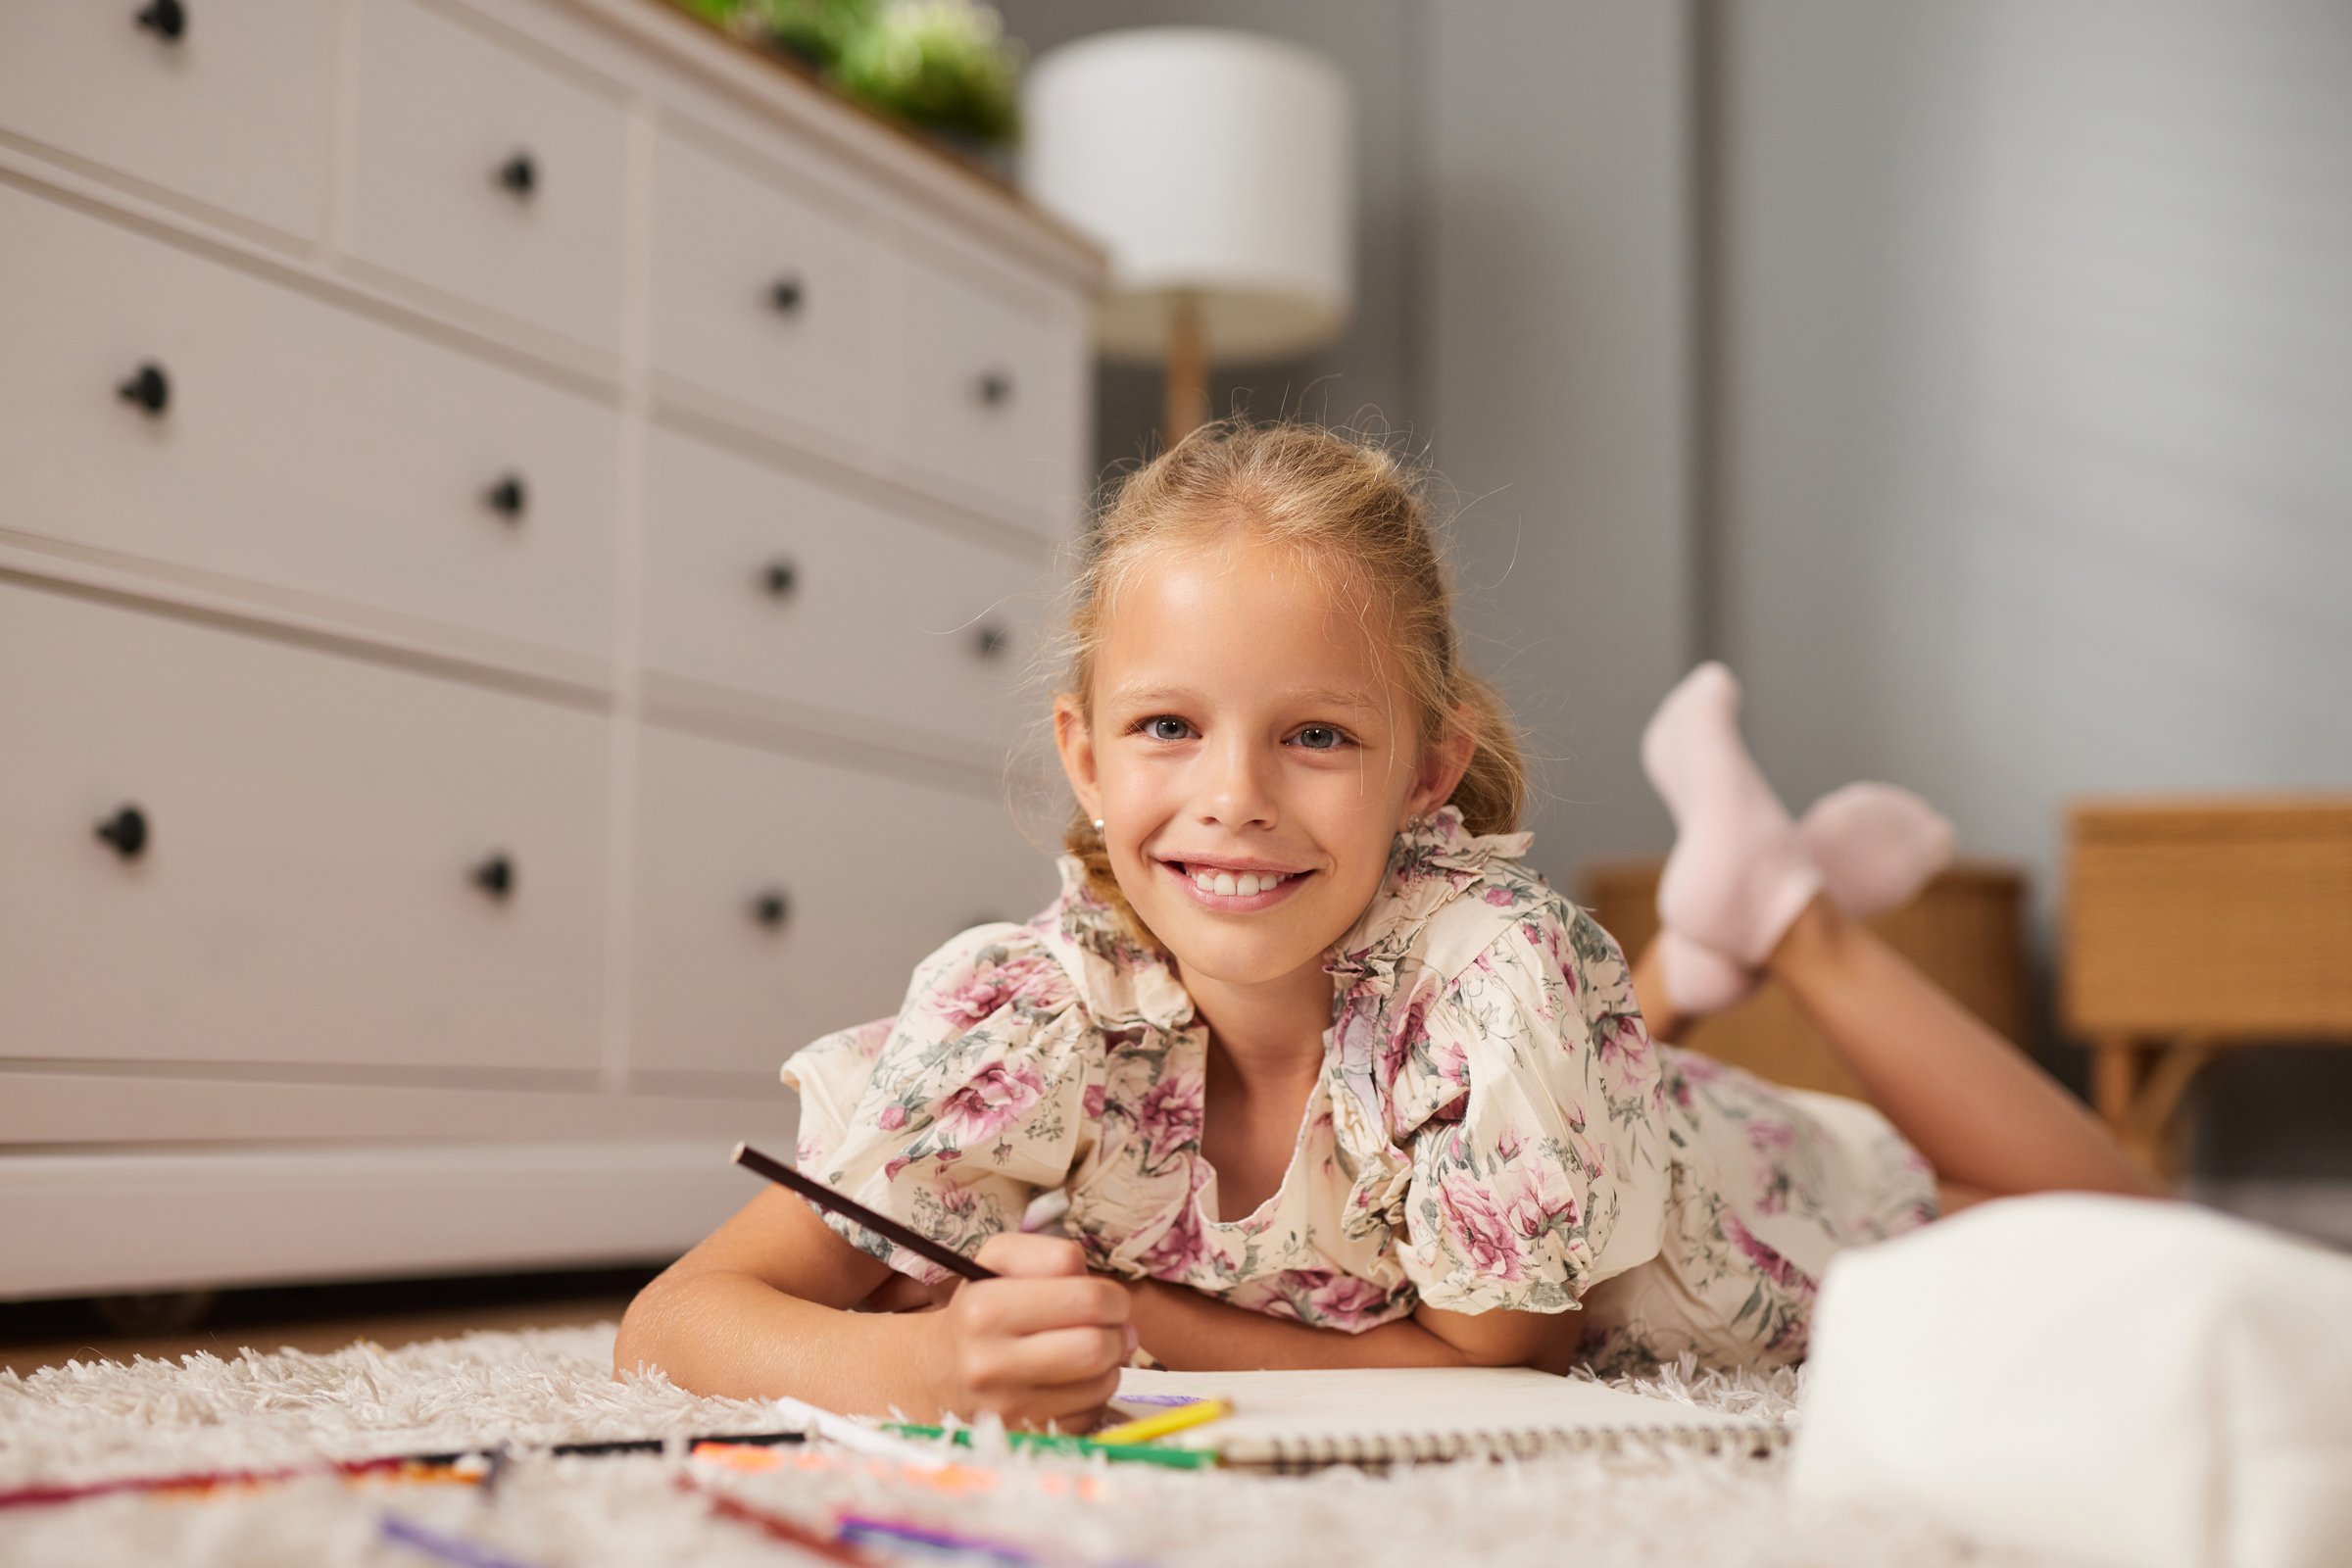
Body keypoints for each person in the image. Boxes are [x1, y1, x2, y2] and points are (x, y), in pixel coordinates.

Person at [612, 421, 2159, 1428]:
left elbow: (1497, 1372)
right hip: (1536, 1103)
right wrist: (919, 1365)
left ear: (1429, 769)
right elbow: (673, 1321)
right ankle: (1699, 949)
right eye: (1165, 728)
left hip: (1707, 1197)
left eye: (1318, 738)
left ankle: (1792, 916)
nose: (1232, 800)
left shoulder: (1498, 978)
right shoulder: (1023, 1023)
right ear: (1082, 753)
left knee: (2111, 1223)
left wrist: (1143, 1322)